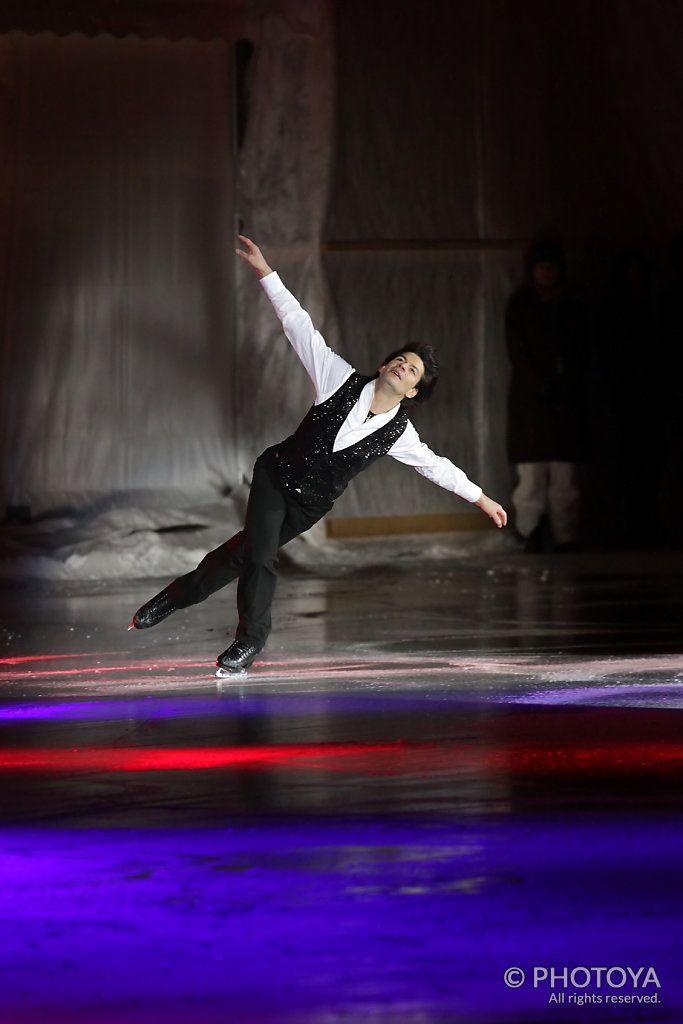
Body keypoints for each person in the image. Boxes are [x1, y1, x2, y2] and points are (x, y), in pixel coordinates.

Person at [130, 235, 507, 674]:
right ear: (385, 366)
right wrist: (265, 273)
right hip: (276, 474)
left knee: (242, 554)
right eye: (400, 360)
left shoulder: (400, 433)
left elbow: (436, 467)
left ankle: (173, 597)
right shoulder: (338, 378)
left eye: (412, 370)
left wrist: (480, 498)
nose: (403, 366)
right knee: (261, 557)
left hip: (308, 505)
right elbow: (298, 325)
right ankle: (249, 642)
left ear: (413, 391)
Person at [505, 239, 588, 552]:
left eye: (552, 268)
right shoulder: (522, 306)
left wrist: (564, 380)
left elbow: (581, 350)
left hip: (565, 403)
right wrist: (541, 383)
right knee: (532, 476)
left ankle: (566, 535)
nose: (547, 274)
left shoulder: (572, 305)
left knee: (565, 479)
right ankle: (530, 532)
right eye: (542, 268)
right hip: (531, 404)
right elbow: (518, 352)